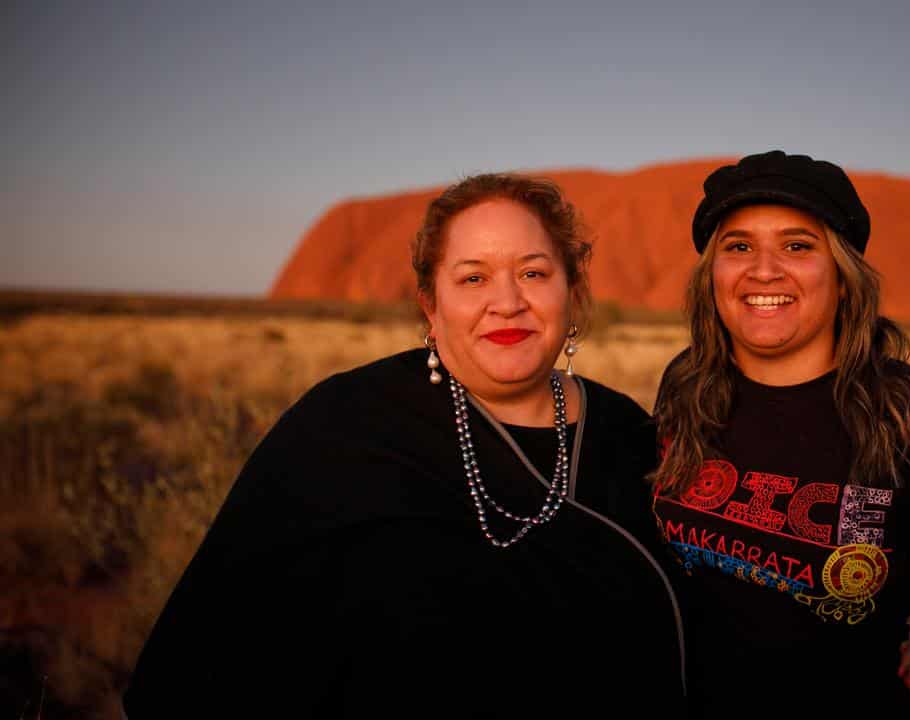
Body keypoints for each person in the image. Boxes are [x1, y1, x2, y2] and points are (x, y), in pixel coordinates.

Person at [123, 174, 687, 718]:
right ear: (430, 304)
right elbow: (204, 655)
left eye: (534, 274)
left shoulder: (625, 434)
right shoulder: (344, 429)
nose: (507, 302)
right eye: (473, 279)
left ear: (573, 289)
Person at [650, 151, 910, 719]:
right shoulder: (686, 392)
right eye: (737, 246)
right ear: (711, 275)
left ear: (843, 276)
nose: (763, 270)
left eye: (798, 245)